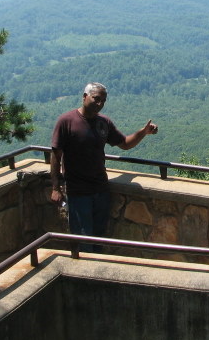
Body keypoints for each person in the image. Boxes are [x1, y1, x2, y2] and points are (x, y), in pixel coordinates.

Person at [50, 82, 158, 250]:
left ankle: (95, 266)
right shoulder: (67, 121)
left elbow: (124, 143)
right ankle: (84, 267)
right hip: (78, 192)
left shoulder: (103, 123)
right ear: (84, 97)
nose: (100, 103)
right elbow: (56, 156)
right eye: (96, 99)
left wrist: (143, 132)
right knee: (83, 240)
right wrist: (56, 188)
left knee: (99, 239)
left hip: (101, 190)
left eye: (103, 100)